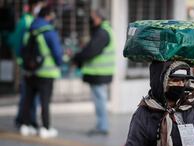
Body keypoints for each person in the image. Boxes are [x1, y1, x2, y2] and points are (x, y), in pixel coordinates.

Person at [20, 6, 62, 138]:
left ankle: (26, 126)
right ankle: (45, 128)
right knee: (45, 101)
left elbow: (21, 50)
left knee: (28, 99)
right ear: (48, 16)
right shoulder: (49, 31)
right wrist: (59, 62)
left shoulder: (29, 30)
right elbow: (57, 53)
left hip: (29, 71)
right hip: (46, 73)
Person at [72, 9, 115, 136]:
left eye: (92, 17)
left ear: (98, 18)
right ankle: (101, 125)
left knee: (100, 99)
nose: (91, 20)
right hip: (98, 73)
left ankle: (102, 126)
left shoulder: (102, 33)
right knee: (99, 98)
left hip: (99, 72)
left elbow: (91, 50)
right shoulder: (104, 31)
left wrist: (77, 58)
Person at [8, 0, 45, 129]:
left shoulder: (33, 21)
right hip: (27, 63)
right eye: (38, 5)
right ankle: (25, 119)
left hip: (34, 63)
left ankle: (25, 118)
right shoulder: (26, 21)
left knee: (30, 93)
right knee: (28, 93)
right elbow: (17, 42)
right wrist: (23, 60)